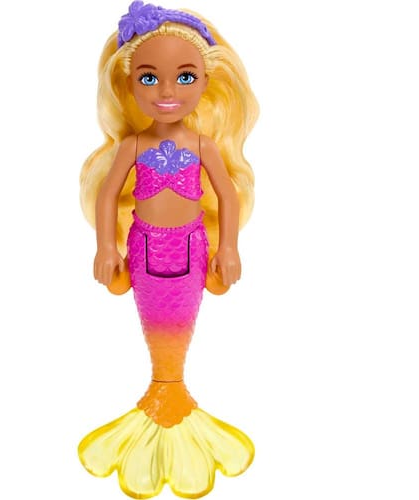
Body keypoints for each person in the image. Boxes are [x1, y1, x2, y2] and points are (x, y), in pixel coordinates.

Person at [78, 2, 259, 497]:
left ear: (207, 82)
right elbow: (108, 196)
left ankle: (172, 391)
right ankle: (163, 389)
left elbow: (227, 195)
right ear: (128, 83)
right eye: (148, 78)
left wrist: (228, 247)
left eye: (184, 77)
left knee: (179, 323)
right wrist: (105, 247)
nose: (165, 92)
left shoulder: (203, 147)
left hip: (192, 251)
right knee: (157, 323)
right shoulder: (132, 146)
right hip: (142, 251)